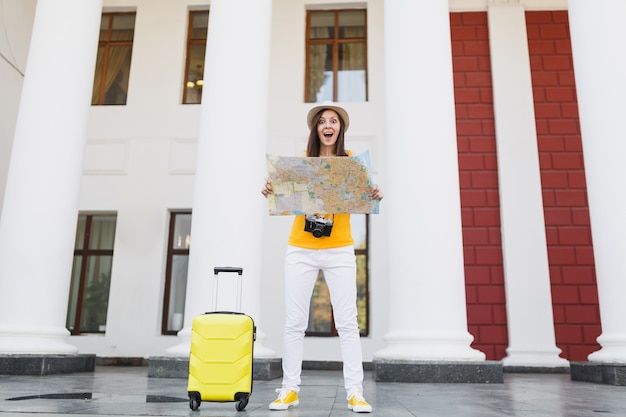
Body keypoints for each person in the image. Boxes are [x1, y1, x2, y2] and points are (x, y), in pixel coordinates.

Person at [261, 102, 383, 413]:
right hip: (301, 247)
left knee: (348, 323)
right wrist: (272, 189)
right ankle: (289, 389)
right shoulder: (302, 162)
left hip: (339, 247)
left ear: (341, 129)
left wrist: (374, 193)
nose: (327, 126)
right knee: (293, 323)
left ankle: (355, 392)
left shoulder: (352, 163)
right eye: (321, 122)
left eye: (333, 121)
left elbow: (364, 194)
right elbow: (284, 195)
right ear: (315, 129)